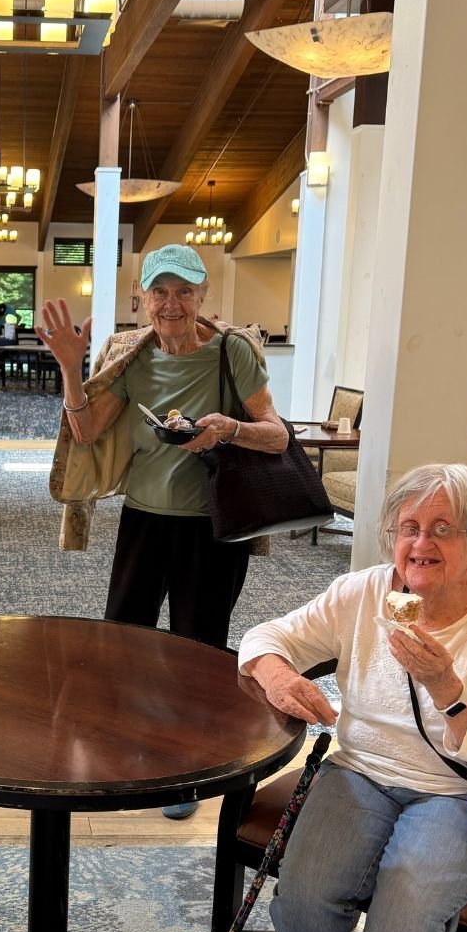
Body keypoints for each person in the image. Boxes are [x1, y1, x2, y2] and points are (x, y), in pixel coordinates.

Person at [237, 463, 467, 932]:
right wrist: (279, 677)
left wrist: (448, 689)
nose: (422, 543)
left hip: (460, 791)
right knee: (299, 908)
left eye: (443, 529)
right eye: (409, 528)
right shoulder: (361, 593)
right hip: (361, 772)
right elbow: (266, 636)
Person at [43, 242, 290, 820]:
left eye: (184, 291)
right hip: (144, 520)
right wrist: (72, 369)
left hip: (213, 527)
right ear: (143, 297)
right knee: (123, 637)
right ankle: (120, 747)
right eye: (160, 291)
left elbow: (277, 434)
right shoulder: (133, 355)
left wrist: (228, 428)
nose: (171, 303)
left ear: (203, 295)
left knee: (197, 650)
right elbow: (86, 432)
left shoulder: (232, 351)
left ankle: (188, 770)